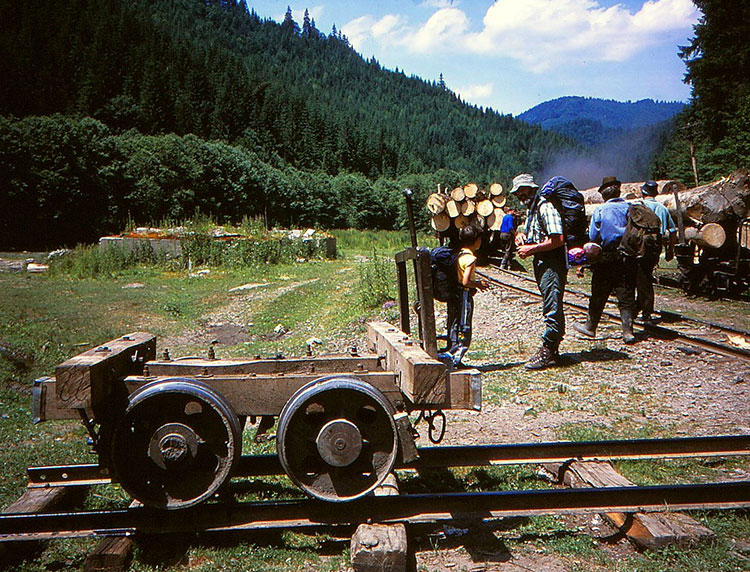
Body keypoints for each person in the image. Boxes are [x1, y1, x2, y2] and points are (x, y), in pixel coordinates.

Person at [572, 176, 638, 344]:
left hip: (606, 256)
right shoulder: (630, 207)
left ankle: (590, 326)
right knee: (626, 292)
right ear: (619, 191)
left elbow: (594, 236)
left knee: (599, 293)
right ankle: (628, 331)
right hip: (627, 255)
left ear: (603, 194)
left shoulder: (600, 210)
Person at [511, 173, 567, 370]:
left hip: (552, 262)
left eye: (522, 190)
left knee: (552, 304)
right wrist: (521, 237)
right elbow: (535, 234)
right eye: (517, 192)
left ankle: (549, 350)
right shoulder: (532, 209)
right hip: (543, 261)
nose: (519, 195)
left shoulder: (546, 207)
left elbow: (558, 239)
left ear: (532, 189)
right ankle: (552, 349)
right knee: (549, 302)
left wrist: (530, 249)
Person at [441, 224, 488, 367]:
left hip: (455, 294)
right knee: (464, 325)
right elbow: (466, 281)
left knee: (455, 322)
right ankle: (455, 358)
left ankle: (451, 351)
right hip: (464, 295)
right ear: (476, 241)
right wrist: (479, 284)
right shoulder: (470, 259)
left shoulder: (459, 254)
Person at [636, 180, 677, 323]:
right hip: (656, 245)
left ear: (643, 192)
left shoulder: (637, 207)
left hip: (640, 245)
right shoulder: (663, 209)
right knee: (644, 275)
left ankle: (645, 311)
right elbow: (672, 231)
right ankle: (637, 308)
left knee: (643, 277)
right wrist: (670, 250)